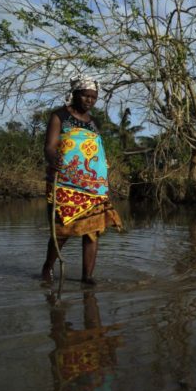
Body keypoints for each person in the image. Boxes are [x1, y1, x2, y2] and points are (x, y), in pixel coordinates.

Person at [41, 75, 122, 285]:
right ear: (75, 94)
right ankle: (48, 267)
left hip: (93, 186)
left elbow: (97, 152)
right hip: (65, 183)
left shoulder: (93, 123)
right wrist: (54, 159)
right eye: (86, 96)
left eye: (93, 97)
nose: (89, 100)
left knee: (93, 231)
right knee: (62, 230)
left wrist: (104, 181)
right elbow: (49, 147)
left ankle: (87, 277)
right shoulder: (59, 116)